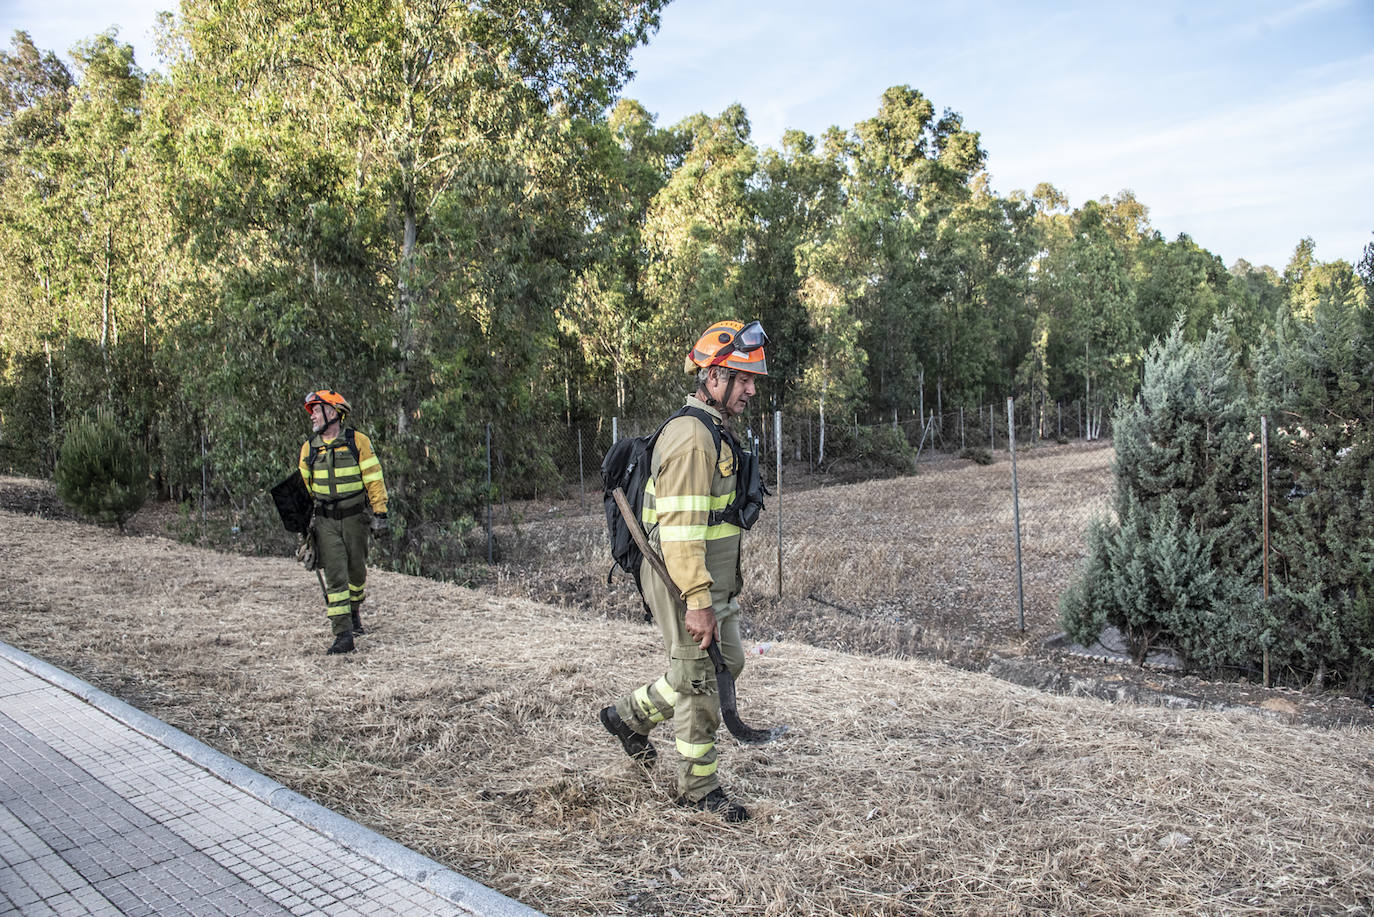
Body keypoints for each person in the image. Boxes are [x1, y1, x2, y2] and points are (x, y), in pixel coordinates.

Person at [599, 319, 769, 823]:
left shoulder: (712, 431)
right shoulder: (692, 439)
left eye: (752, 378)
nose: (751, 389)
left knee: (727, 662)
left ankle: (627, 718)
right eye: (742, 378)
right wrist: (697, 600)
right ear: (713, 377)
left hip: (707, 579)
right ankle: (698, 788)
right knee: (698, 677)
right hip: (682, 577)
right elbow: (677, 533)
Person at [298, 389, 389, 655]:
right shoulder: (309, 448)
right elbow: (303, 489)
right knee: (336, 576)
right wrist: (301, 525)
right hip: (325, 522)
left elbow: (374, 477)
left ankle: (354, 612)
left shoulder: (357, 441)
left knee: (356, 573)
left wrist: (380, 513)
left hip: (355, 519)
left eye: (317, 410)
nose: (313, 416)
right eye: (312, 411)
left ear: (333, 412)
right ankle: (343, 635)